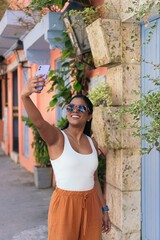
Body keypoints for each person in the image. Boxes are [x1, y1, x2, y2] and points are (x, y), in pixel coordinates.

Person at [21, 74, 111, 240]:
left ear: (89, 116)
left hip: (91, 203)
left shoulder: (92, 142)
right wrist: (25, 96)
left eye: (81, 108)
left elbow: (94, 179)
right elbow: (40, 123)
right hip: (65, 205)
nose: (75, 110)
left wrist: (104, 209)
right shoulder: (57, 138)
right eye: (71, 107)